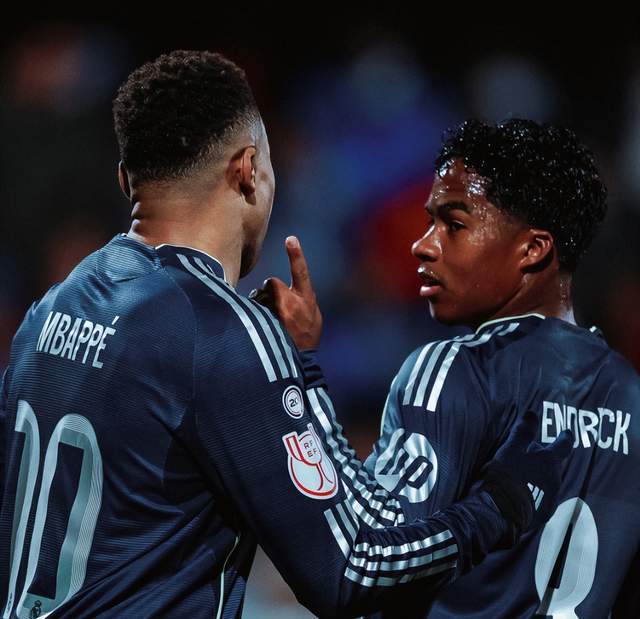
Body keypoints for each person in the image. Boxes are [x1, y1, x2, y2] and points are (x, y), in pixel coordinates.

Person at [0, 53, 571, 619]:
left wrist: (290, 362)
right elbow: (352, 571)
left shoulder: (49, 309)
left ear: (127, 179)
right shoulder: (218, 331)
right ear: (248, 169)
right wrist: (500, 506)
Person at [262, 119, 640, 617]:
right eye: (430, 222)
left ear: (532, 249)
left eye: (454, 225)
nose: (423, 245)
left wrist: (299, 367)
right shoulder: (628, 392)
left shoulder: (459, 368)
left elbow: (361, 563)